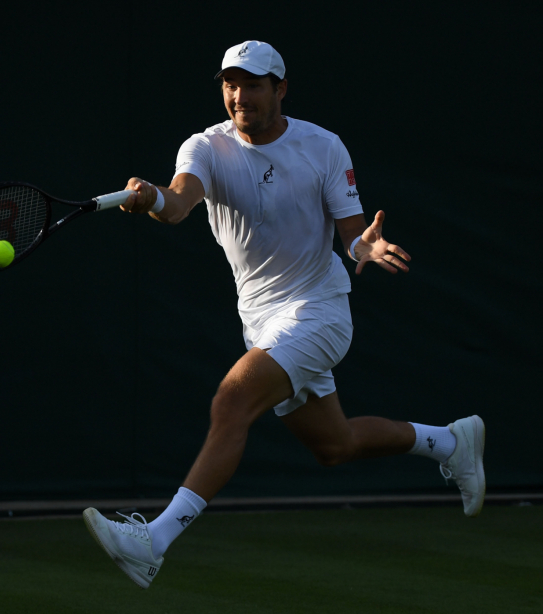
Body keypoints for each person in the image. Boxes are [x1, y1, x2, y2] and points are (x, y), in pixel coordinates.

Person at [82, 41, 485, 589]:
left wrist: (365, 247)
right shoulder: (205, 147)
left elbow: (352, 234)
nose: (239, 96)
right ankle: (451, 442)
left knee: (232, 401)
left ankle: (153, 541)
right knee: (334, 445)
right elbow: (177, 204)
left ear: (281, 89)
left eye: (252, 85)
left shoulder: (323, 147)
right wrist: (151, 198)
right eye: (230, 84)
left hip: (320, 312)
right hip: (262, 322)